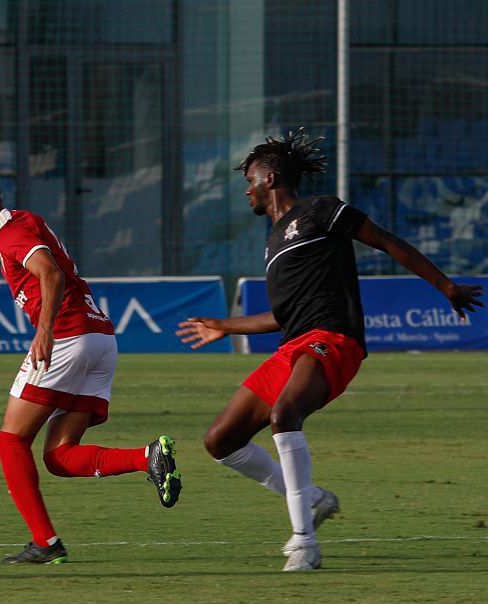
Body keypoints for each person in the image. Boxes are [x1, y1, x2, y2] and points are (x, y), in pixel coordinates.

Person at [176, 128, 484, 571]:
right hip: (294, 344)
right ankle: (315, 499)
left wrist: (446, 286)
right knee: (220, 440)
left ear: (270, 178)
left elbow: (389, 242)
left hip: (333, 339)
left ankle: (304, 542)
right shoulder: (273, 241)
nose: (246, 188)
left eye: (250, 178)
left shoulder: (321, 210)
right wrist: (226, 326)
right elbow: (284, 316)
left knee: (285, 414)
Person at [0, 169, 182, 564]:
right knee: (59, 455)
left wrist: (45, 332)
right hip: (100, 339)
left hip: (69, 338)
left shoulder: (10, 233)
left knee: (11, 441)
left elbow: (49, 273)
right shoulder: (25, 220)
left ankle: (46, 543)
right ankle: (149, 458)